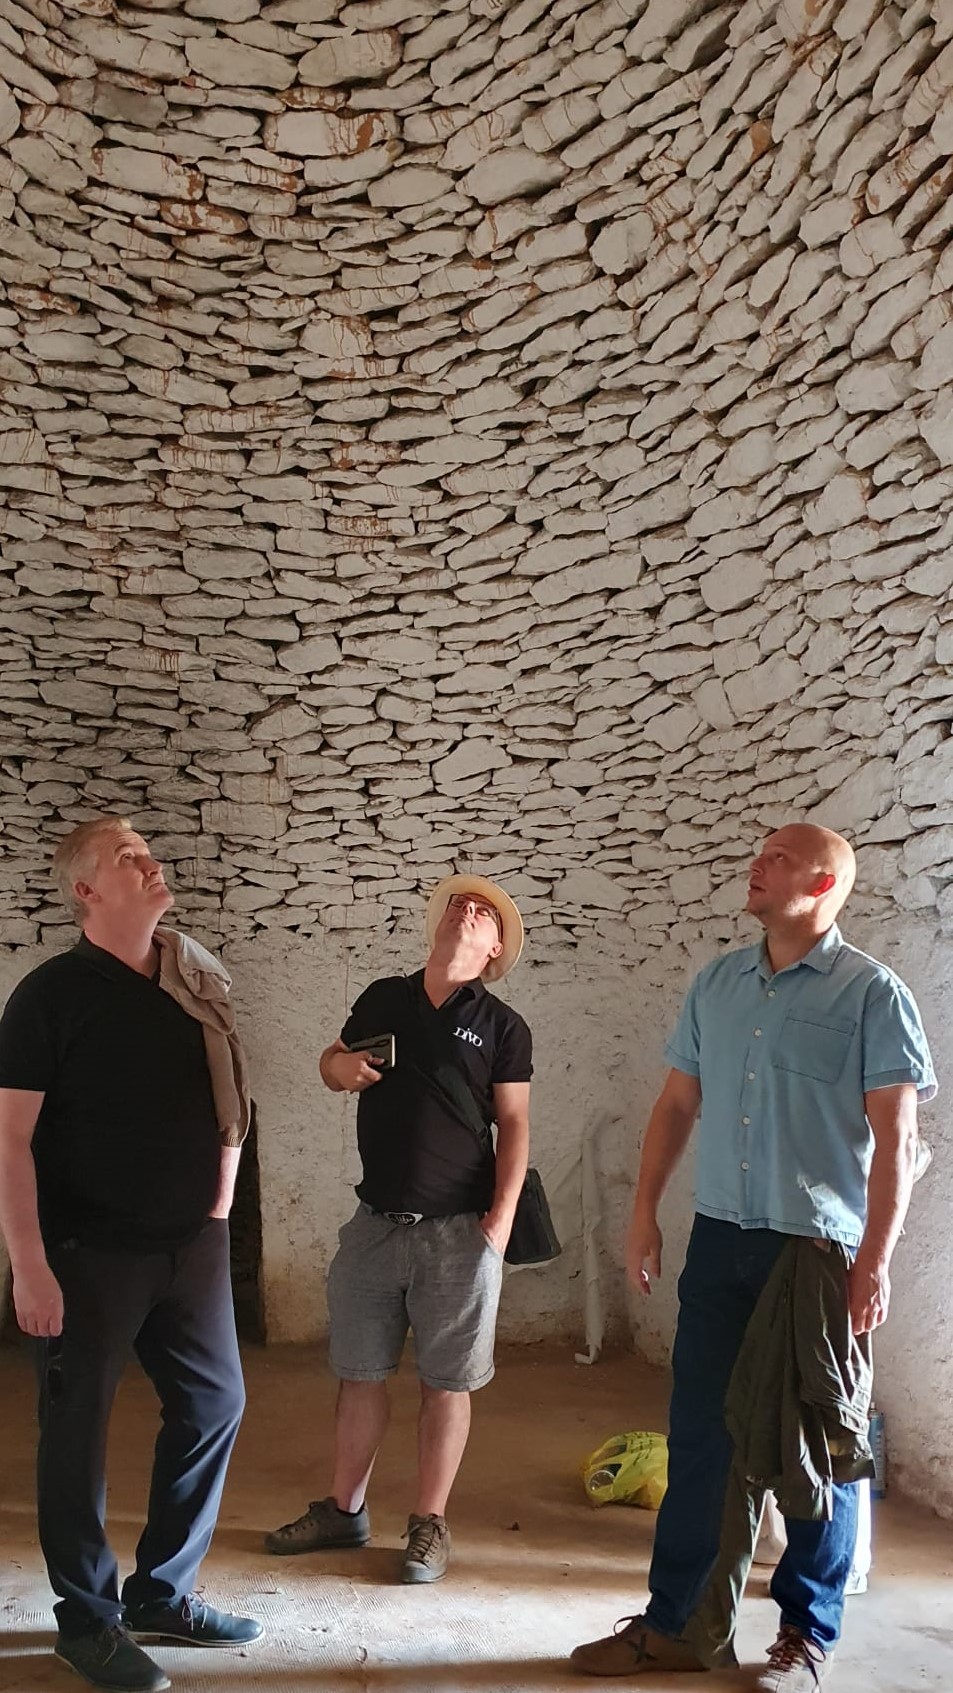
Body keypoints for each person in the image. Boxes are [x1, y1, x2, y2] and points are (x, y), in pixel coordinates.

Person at [571, 824, 935, 1692]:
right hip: (720, 1238)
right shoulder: (718, 983)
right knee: (702, 1436)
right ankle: (681, 1627)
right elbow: (675, 1104)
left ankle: (805, 1635)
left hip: (814, 1251)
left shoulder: (870, 993)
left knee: (818, 1446)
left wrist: (873, 1260)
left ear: (822, 883)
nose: (754, 865)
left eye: (776, 857)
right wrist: (643, 1212)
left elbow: (895, 1140)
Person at [0, 817, 262, 1693]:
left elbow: (229, 1099)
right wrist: (30, 1263)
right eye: (127, 858)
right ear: (85, 891)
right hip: (87, 1253)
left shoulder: (189, 982)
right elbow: (9, 1140)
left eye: (148, 852)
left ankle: (161, 1595)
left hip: (191, 1246)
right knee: (76, 1432)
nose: (151, 864)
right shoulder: (48, 998)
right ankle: (86, 1620)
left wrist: (218, 1207)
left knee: (215, 1403)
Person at [265, 873, 532, 1584]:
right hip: (374, 1225)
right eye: (458, 903)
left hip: (459, 1230)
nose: (465, 910)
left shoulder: (502, 1026)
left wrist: (500, 1222)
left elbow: (513, 1124)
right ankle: (343, 1510)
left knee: (447, 1384)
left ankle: (428, 1522)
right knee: (358, 1375)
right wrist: (339, 1067)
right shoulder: (385, 996)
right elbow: (329, 1063)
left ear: (495, 948)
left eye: (482, 912)